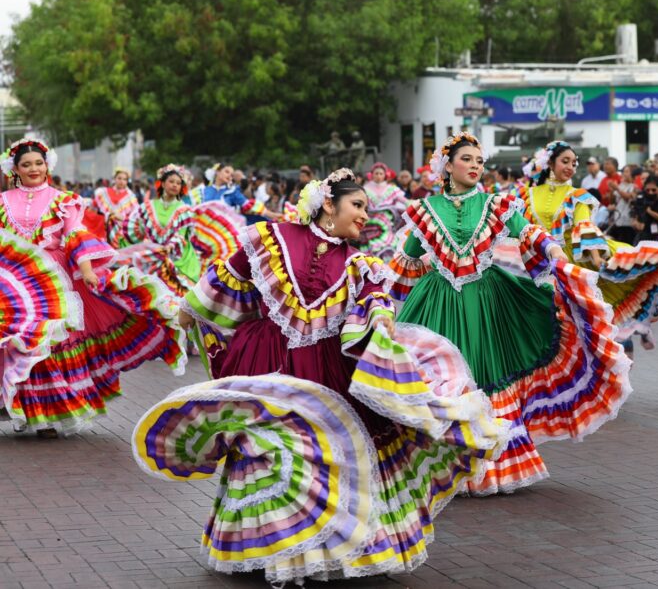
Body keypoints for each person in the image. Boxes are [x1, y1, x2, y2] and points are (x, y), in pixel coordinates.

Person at [158, 168, 508, 582]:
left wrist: (381, 317)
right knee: (267, 452)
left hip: (325, 371)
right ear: (328, 204)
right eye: (357, 205)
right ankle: (277, 552)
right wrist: (189, 309)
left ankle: (316, 554)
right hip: (267, 361)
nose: (364, 215)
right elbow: (227, 275)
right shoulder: (271, 237)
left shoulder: (359, 263)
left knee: (321, 458)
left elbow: (375, 297)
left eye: (366, 208)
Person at [389, 133, 633, 495]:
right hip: (439, 301)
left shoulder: (495, 204)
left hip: (488, 302)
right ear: (447, 166)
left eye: (479, 161)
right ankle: (441, 464)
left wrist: (554, 251)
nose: (475, 166)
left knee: (485, 371)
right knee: (438, 377)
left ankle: (488, 469)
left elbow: (527, 232)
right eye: (467, 159)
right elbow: (408, 256)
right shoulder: (425, 209)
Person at [0, 139, 186, 436]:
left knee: (50, 342)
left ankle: (47, 415)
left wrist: (87, 271)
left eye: (38, 163)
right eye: (26, 164)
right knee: (20, 342)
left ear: (47, 166)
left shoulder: (63, 200)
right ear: (15, 169)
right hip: (16, 283)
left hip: (57, 280)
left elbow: (75, 234)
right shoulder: (3, 201)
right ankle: (20, 406)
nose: (34, 169)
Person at [514, 141, 658, 346]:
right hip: (539, 264)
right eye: (565, 161)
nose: (571, 167)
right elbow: (516, 224)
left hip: (575, 262)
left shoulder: (577, 196)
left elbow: (584, 226)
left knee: (598, 310)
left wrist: (598, 260)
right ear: (550, 163)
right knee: (550, 322)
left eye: (574, 163)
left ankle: (631, 335)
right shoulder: (524, 195)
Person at [122, 164, 204, 296]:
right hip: (153, 258)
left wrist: (170, 247)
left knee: (176, 298)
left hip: (178, 259)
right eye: (171, 181)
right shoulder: (147, 207)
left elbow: (181, 235)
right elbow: (137, 228)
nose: (175, 185)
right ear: (163, 183)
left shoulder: (184, 210)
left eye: (178, 183)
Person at [354, 162, 407, 260]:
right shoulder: (364, 189)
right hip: (369, 223)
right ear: (372, 175)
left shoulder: (391, 189)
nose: (378, 176)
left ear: (385, 175)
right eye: (376, 173)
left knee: (388, 245)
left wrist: (413, 204)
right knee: (371, 249)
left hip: (386, 224)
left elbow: (404, 201)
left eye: (381, 173)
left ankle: (386, 266)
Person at [91, 168, 139, 246]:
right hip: (104, 230)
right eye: (119, 178)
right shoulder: (104, 192)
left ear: (127, 181)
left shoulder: (131, 197)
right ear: (115, 179)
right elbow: (93, 207)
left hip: (121, 233)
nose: (121, 181)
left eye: (124, 179)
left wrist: (121, 218)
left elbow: (135, 218)